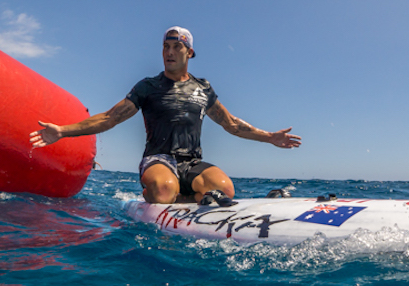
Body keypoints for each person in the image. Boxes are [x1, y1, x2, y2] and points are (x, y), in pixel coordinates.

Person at [30, 26, 301, 204]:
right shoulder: (148, 87)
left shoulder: (203, 88)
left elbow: (231, 124)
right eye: (165, 47)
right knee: (162, 189)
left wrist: (269, 138)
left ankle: (183, 194)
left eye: (176, 47)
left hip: (192, 162)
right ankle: (163, 194)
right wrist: (63, 131)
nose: (169, 52)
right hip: (158, 159)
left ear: (189, 52)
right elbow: (109, 118)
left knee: (225, 190)